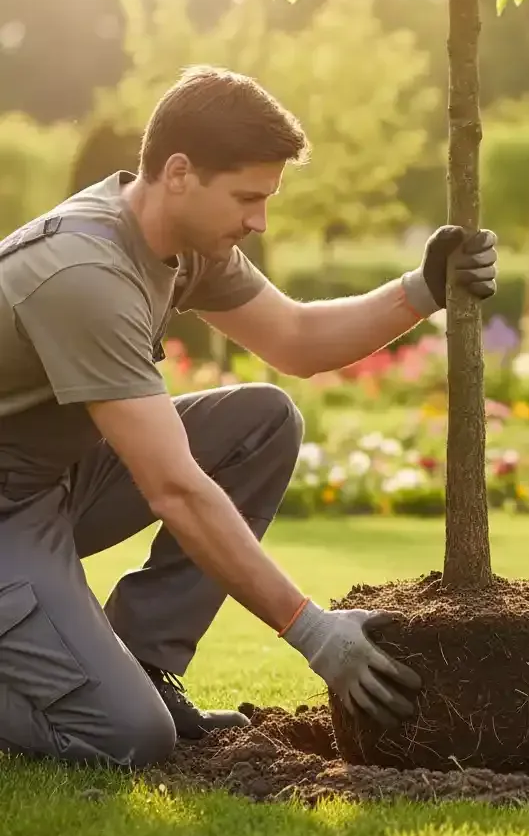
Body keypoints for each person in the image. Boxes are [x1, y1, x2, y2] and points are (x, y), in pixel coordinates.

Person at [0, 65, 499, 769]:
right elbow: (175, 487)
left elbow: (295, 340)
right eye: (248, 197)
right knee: (126, 737)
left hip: (52, 477)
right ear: (179, 173)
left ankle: (142, 663)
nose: (258, 220)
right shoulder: (85, 274)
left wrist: (423, 290)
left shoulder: (185, 247)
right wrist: (314, 633)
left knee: (262, 421)